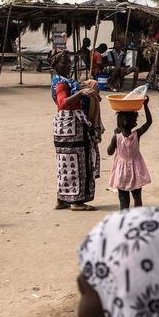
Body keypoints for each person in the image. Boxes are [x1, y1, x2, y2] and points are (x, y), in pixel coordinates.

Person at [51, 50, 100, 211]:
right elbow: (63, 102)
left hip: (66, 126)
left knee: (65, 163)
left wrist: (86, 86)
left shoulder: (63, 80)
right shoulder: (60, 83)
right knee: (78, 163)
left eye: (69, 62)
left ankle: (62, 199)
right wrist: (80, 93)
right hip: (71, 125)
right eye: (65, 63)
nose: (68, 65)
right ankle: (77, 202)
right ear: (55, 65)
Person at [107, 105, 152, 210]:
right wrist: (145, 105)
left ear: (118, 123)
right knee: (137, 197)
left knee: (123, 199)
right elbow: (149, 122)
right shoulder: (137, 134)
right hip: (135, 171)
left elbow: (109, 152)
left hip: (121, 172)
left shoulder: (116, 137)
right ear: (134, 123)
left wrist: (114, 136)